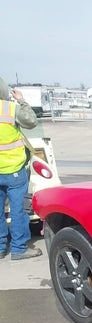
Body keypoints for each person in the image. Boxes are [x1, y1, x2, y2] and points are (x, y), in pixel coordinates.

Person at [0, 77, 41, 260]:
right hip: (13, 170)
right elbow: (31, 121)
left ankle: (0, 247)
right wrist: (21, 100)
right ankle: (18, 248)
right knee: (19, 210)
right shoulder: (9, 108)